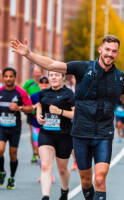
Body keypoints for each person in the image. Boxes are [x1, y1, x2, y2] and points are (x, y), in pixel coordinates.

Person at [10, 35, 124, 200]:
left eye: (114, 51)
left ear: (117, 54)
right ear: (100, 49)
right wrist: (29, 54)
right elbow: (51, 64)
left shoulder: (119, 77)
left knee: (100, 178)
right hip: (80, 133)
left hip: (103, 133)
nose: (110, 54)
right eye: (107, 49)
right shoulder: (83, 68)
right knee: (86, 181)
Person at [36, 71, 75, 200]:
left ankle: (64, 190)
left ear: (63, 77)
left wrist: (60, 112)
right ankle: (45, 196)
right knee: (46, 166)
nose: (53, 77)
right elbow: (40, 105)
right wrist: (38, 115)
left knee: (62, 169)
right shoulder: (44, 93)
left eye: (57, 75)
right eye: (51, 75)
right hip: (46, 133)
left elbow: (76, 115)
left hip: (64, 135)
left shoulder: (69, 94)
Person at [0, 67, 33, 189]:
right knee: (0, 149)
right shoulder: (0, 92)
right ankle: (2, 171)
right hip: (1, 128)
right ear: (3, 78)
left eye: (11, 76)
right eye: (6, 76)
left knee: (13, 154)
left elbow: (30, 108)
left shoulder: (20, 93)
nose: (8, 79)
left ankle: (12, 178)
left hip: (14, 129)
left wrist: (19, 108)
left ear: (15, 77)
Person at [23, 66, 42, 164]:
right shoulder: (28, 83)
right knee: (33, 132)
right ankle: (35, 151)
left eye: (39, 72)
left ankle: (40, 151)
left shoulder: (43, 82)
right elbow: (23, 94)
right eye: (36, 72)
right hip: (32, 111)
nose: (37, 74)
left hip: (42, 112)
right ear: (33, 73)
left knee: (41, 133)